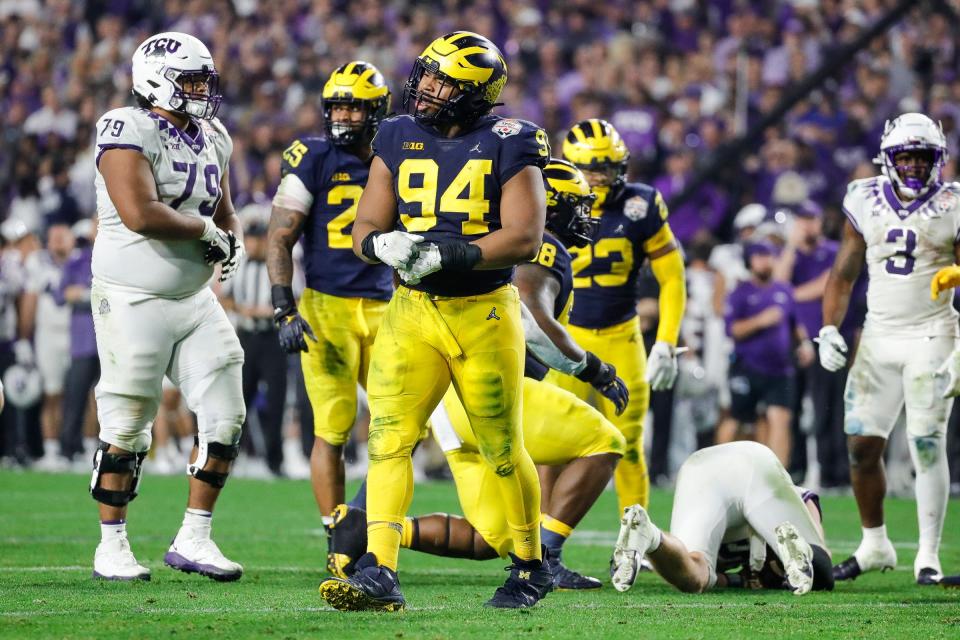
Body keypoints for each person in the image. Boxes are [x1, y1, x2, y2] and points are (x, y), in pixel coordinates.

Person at [319, 31, 551, 611]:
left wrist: (453, 253)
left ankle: (530, 565)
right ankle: (381, 569)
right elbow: (364, 226)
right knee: (388, 442)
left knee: (500, 448)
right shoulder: (396, 133)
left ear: (478, 93)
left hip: (484, 313)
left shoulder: (511, 139)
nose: (425, 88)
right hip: (411, 311)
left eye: (442, 80)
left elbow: (524, 236)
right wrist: (385, 247)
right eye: (426, 74)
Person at [327, 159, 627, 591]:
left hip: (451, 406)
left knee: (494, 536)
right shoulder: (543, 247)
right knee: (606, 442)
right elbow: (531, 319)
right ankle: (549, 558)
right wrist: (592, 368)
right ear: (551, 204)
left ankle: (370, 530)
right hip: (487, 387)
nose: (583, 217)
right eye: (576, 206)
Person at [88, 32, 246, 582]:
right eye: (192, 81)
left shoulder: (213, 135)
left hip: (193, 298)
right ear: (156, 80)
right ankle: (112, 546)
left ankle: (195, 537)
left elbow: (223, 207)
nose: (203, 91)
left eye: (206, 80)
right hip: (132, 297)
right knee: (129, 421)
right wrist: (207, 230)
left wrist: (232, 235)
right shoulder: (125, 126)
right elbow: (139, 211)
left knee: (226, 413)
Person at [820, 113, 959, 585]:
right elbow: (843, 272)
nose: (916, 165)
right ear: (889, 158)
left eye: (924, 156)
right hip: (879, 336)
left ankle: (927, 555)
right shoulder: (864, 197)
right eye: (907, 156)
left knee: (925, 441)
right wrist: (829, 329)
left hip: (933, 333)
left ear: (937, 158)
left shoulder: (953, 203)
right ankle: (874, 545)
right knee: (861, 444)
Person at [266, 61, 392, 547]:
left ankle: (358, 516)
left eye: (353, 107)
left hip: (388, 308)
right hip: (328, 309)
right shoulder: (312, 156)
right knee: (333, 427)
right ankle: (334, 534)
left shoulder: (398, 155)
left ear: (376, 112)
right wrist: (283, 306)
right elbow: (280, 237)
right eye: (335, 105)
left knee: (403, 424)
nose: (341, 116)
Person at [550, 118, 686, 517]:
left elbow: (672, 276)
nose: (602, 177)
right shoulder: (550, 198)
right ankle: (539, 544)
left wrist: (665, 340)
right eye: (592, 168)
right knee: (550, 444)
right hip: (564, 339)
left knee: (627, 445)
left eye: (609, 166)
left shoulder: (640, 205)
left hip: (621, 337)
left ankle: (636, 539)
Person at [610, 441, 834, 596]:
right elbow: (824, 560)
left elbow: (715, 579)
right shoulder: (798, 498)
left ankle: (650, 535)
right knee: (821, 571)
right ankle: (793, 555)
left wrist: (743, 581)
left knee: (695, 575)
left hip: (700, 470)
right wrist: (769, 576)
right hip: (754, 465)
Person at [722, 240, 814, 464]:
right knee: (736, 419)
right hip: (747, 366)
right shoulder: (740, 292)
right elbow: (732, 330)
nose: (765, 261)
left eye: (769, 256)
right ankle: (719, 468)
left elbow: (795, 324)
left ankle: (778, 479)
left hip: (780, 368)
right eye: (759, 256)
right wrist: (760, 321)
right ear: (750, 261)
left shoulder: (784, 290)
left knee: (780, 419)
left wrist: (805, 343)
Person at [223, 207, 287, 476]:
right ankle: (233, 459)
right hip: (247, 338)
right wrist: (242, 308)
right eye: (252, 238)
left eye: (259, 238)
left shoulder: (279, 264)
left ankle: (275, 462)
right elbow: (223, 297)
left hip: (273, 339)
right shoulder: (240, 266)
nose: (254, 243)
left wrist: (268, 311)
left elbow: (297, 297)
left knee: (276, 402)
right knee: (239, 402)